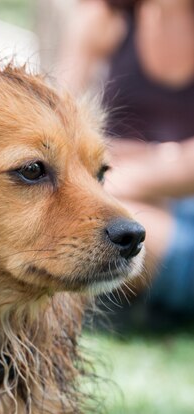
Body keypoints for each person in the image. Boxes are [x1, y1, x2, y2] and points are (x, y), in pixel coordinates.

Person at [57, 0, 194, 327]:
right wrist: (168, 156)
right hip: (118, 193)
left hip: (145, 195)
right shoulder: (106, 17)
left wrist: (117, 171)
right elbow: (57, 120)